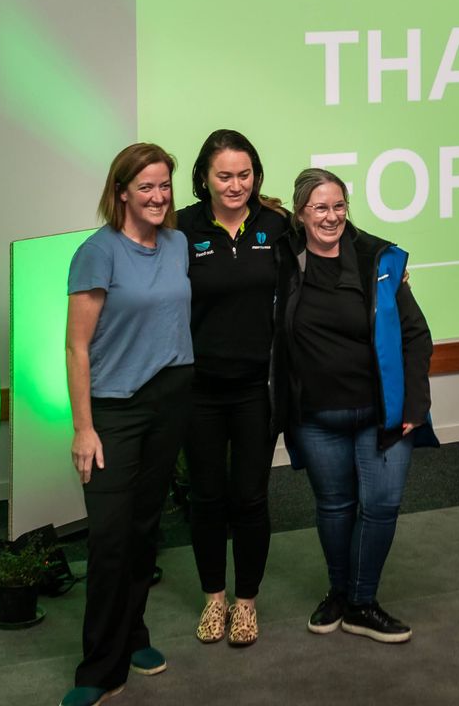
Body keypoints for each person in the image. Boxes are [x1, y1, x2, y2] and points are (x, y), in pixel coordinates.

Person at [276, 168, 437, 644]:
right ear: (301, 213)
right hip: (317, 420)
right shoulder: (284, 261)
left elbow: (416, 336)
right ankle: (339, 594)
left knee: (381, 505)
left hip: (382, 416)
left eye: (339, 206)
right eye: (320, 208)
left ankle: (363, 604)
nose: (331, 217)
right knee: (335, 506)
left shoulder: (378, 261)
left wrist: (415, 404)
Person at [63, 143, 194, 706]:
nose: (158, 196)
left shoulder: (179, 243)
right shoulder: (98, 253)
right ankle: (99, 668)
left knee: (144, 530)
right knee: (111, 539)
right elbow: (76, 346)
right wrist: (84, 428)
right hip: (115, 408)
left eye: (164, 186)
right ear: (121, 192)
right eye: (146, 187)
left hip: (170, 397)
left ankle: (133, 634)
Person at [174, 130, 294, 646]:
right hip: (198, 390)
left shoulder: (276, 225)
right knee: (206, 498)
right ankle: (213, 599)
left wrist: (389, 268)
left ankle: (245, 603)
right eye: (224, 175)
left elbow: (335, 245)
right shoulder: (180, 228)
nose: (235, 185)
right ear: (204, 177)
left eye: (244, 175)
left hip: (255, 391)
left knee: (249, 498)